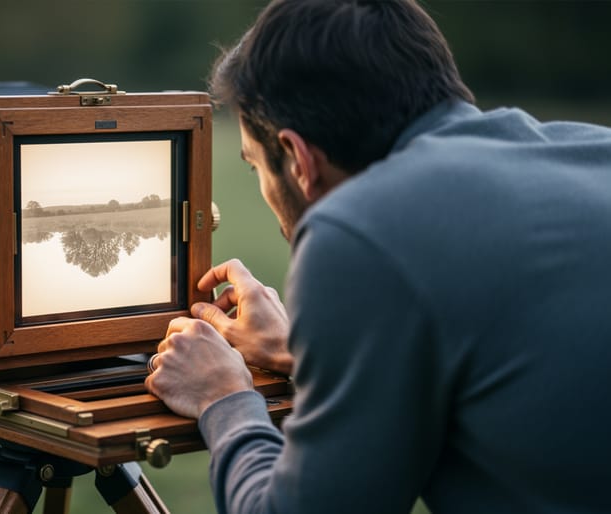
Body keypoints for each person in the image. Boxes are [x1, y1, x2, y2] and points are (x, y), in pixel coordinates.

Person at [143, 1, 611, 513]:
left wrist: (223, 397)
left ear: (298, 160)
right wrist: (305, 353)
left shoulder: (359, 231)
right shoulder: (596, 152)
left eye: (255, 163)